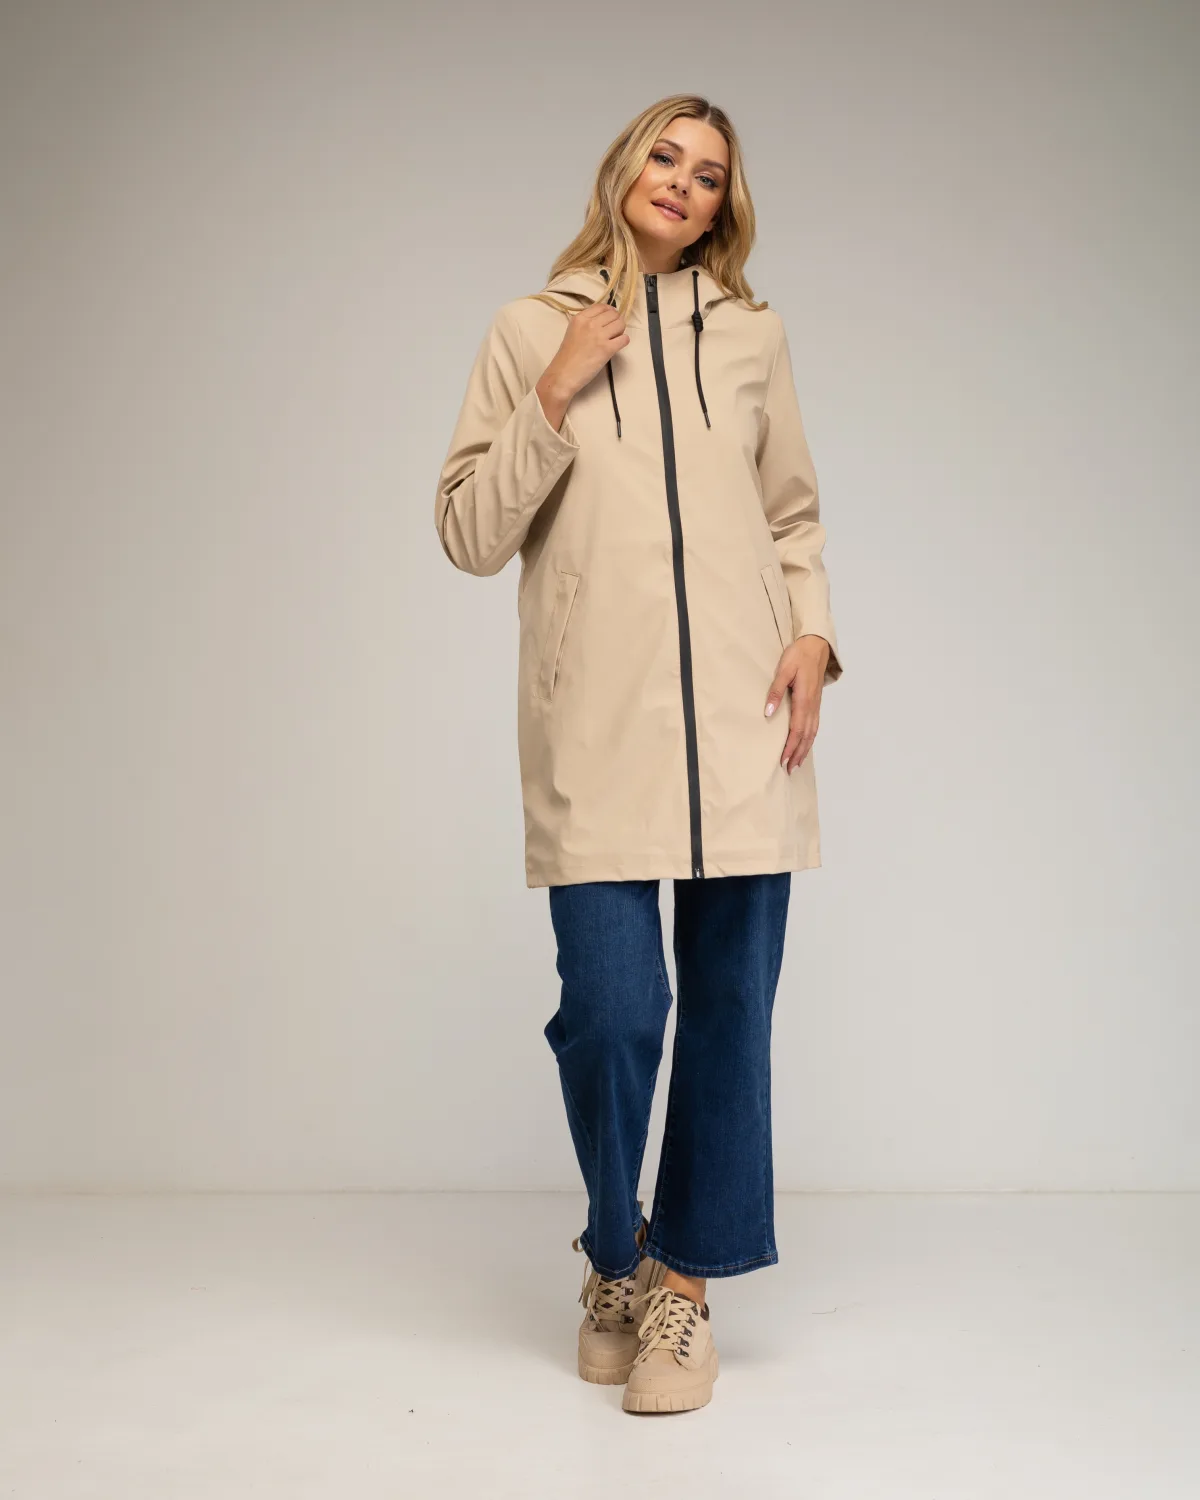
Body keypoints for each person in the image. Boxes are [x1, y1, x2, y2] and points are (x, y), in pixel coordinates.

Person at [433, 93, 843, 1414]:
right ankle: (615, 1253)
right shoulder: (528, 330)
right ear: (622, 169)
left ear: (726, 206)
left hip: (746, 724)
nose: (681, 182)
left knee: (729, 1013)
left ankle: (683, 1293)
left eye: (709, 173)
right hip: (596, 726)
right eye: (664, 156)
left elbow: (792, 515)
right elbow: (468, 533)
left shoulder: (754, 337)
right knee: (613, 1013)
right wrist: (556, 390)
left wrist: (813, 633)